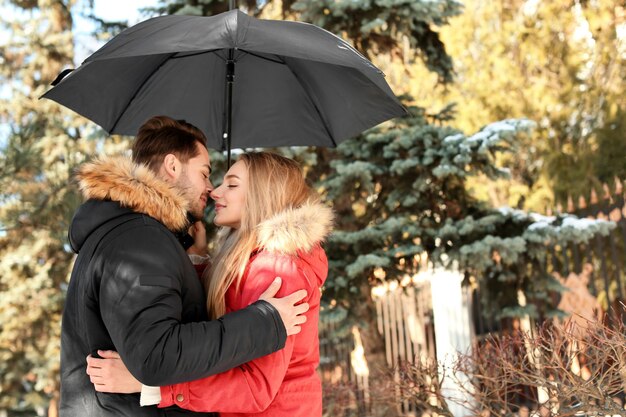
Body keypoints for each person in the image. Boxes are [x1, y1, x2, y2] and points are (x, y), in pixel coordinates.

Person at [61, 117, 309, 417]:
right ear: (173, 166)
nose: (211, 188)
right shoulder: (140, 239)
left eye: (227, 183)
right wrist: (264, 322)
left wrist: (197, 260)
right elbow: (156, 356)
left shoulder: (132, 233)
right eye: (205, 173)